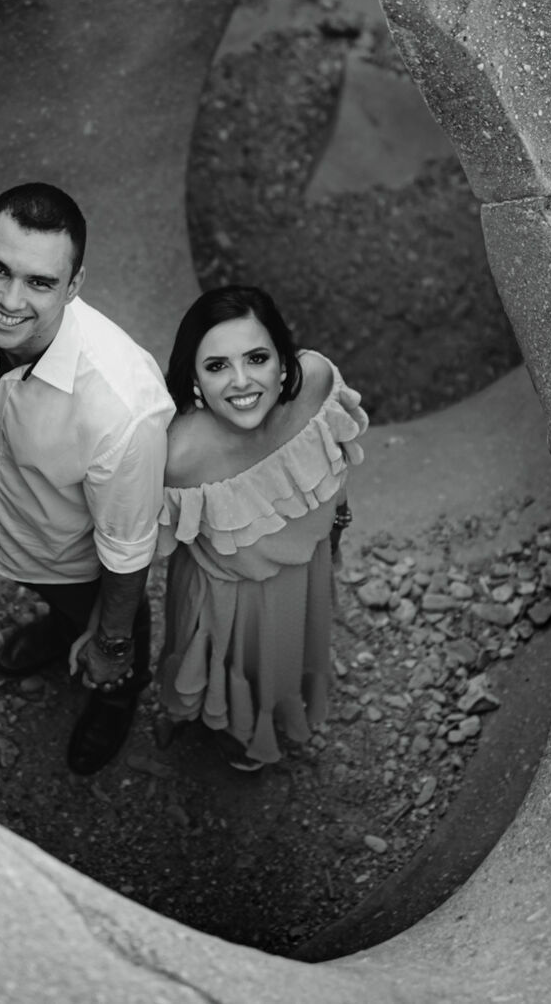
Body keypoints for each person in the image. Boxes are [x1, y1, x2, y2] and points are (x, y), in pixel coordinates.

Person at [0, 182, 174, 775]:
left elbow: (128, 552)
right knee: (58, 600)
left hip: (75, 553)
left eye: (40, 283)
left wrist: (111, 643)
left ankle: (117, 690)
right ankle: (61, 627)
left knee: (105, 614)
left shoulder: (124, 410)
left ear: (74, 287)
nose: (8, 299)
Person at [155, 286, 367, 771]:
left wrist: (337, 525)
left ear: (283, 357)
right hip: (224, 595)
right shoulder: (179, 452)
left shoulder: (315, 381)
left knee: (281, 666)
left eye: (256, 358)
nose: (242, 382)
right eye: (217, 366)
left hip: (303, 570)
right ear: (193, 375)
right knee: (207, 670)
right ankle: (195, 715)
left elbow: (335, 461)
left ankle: (256, 732)